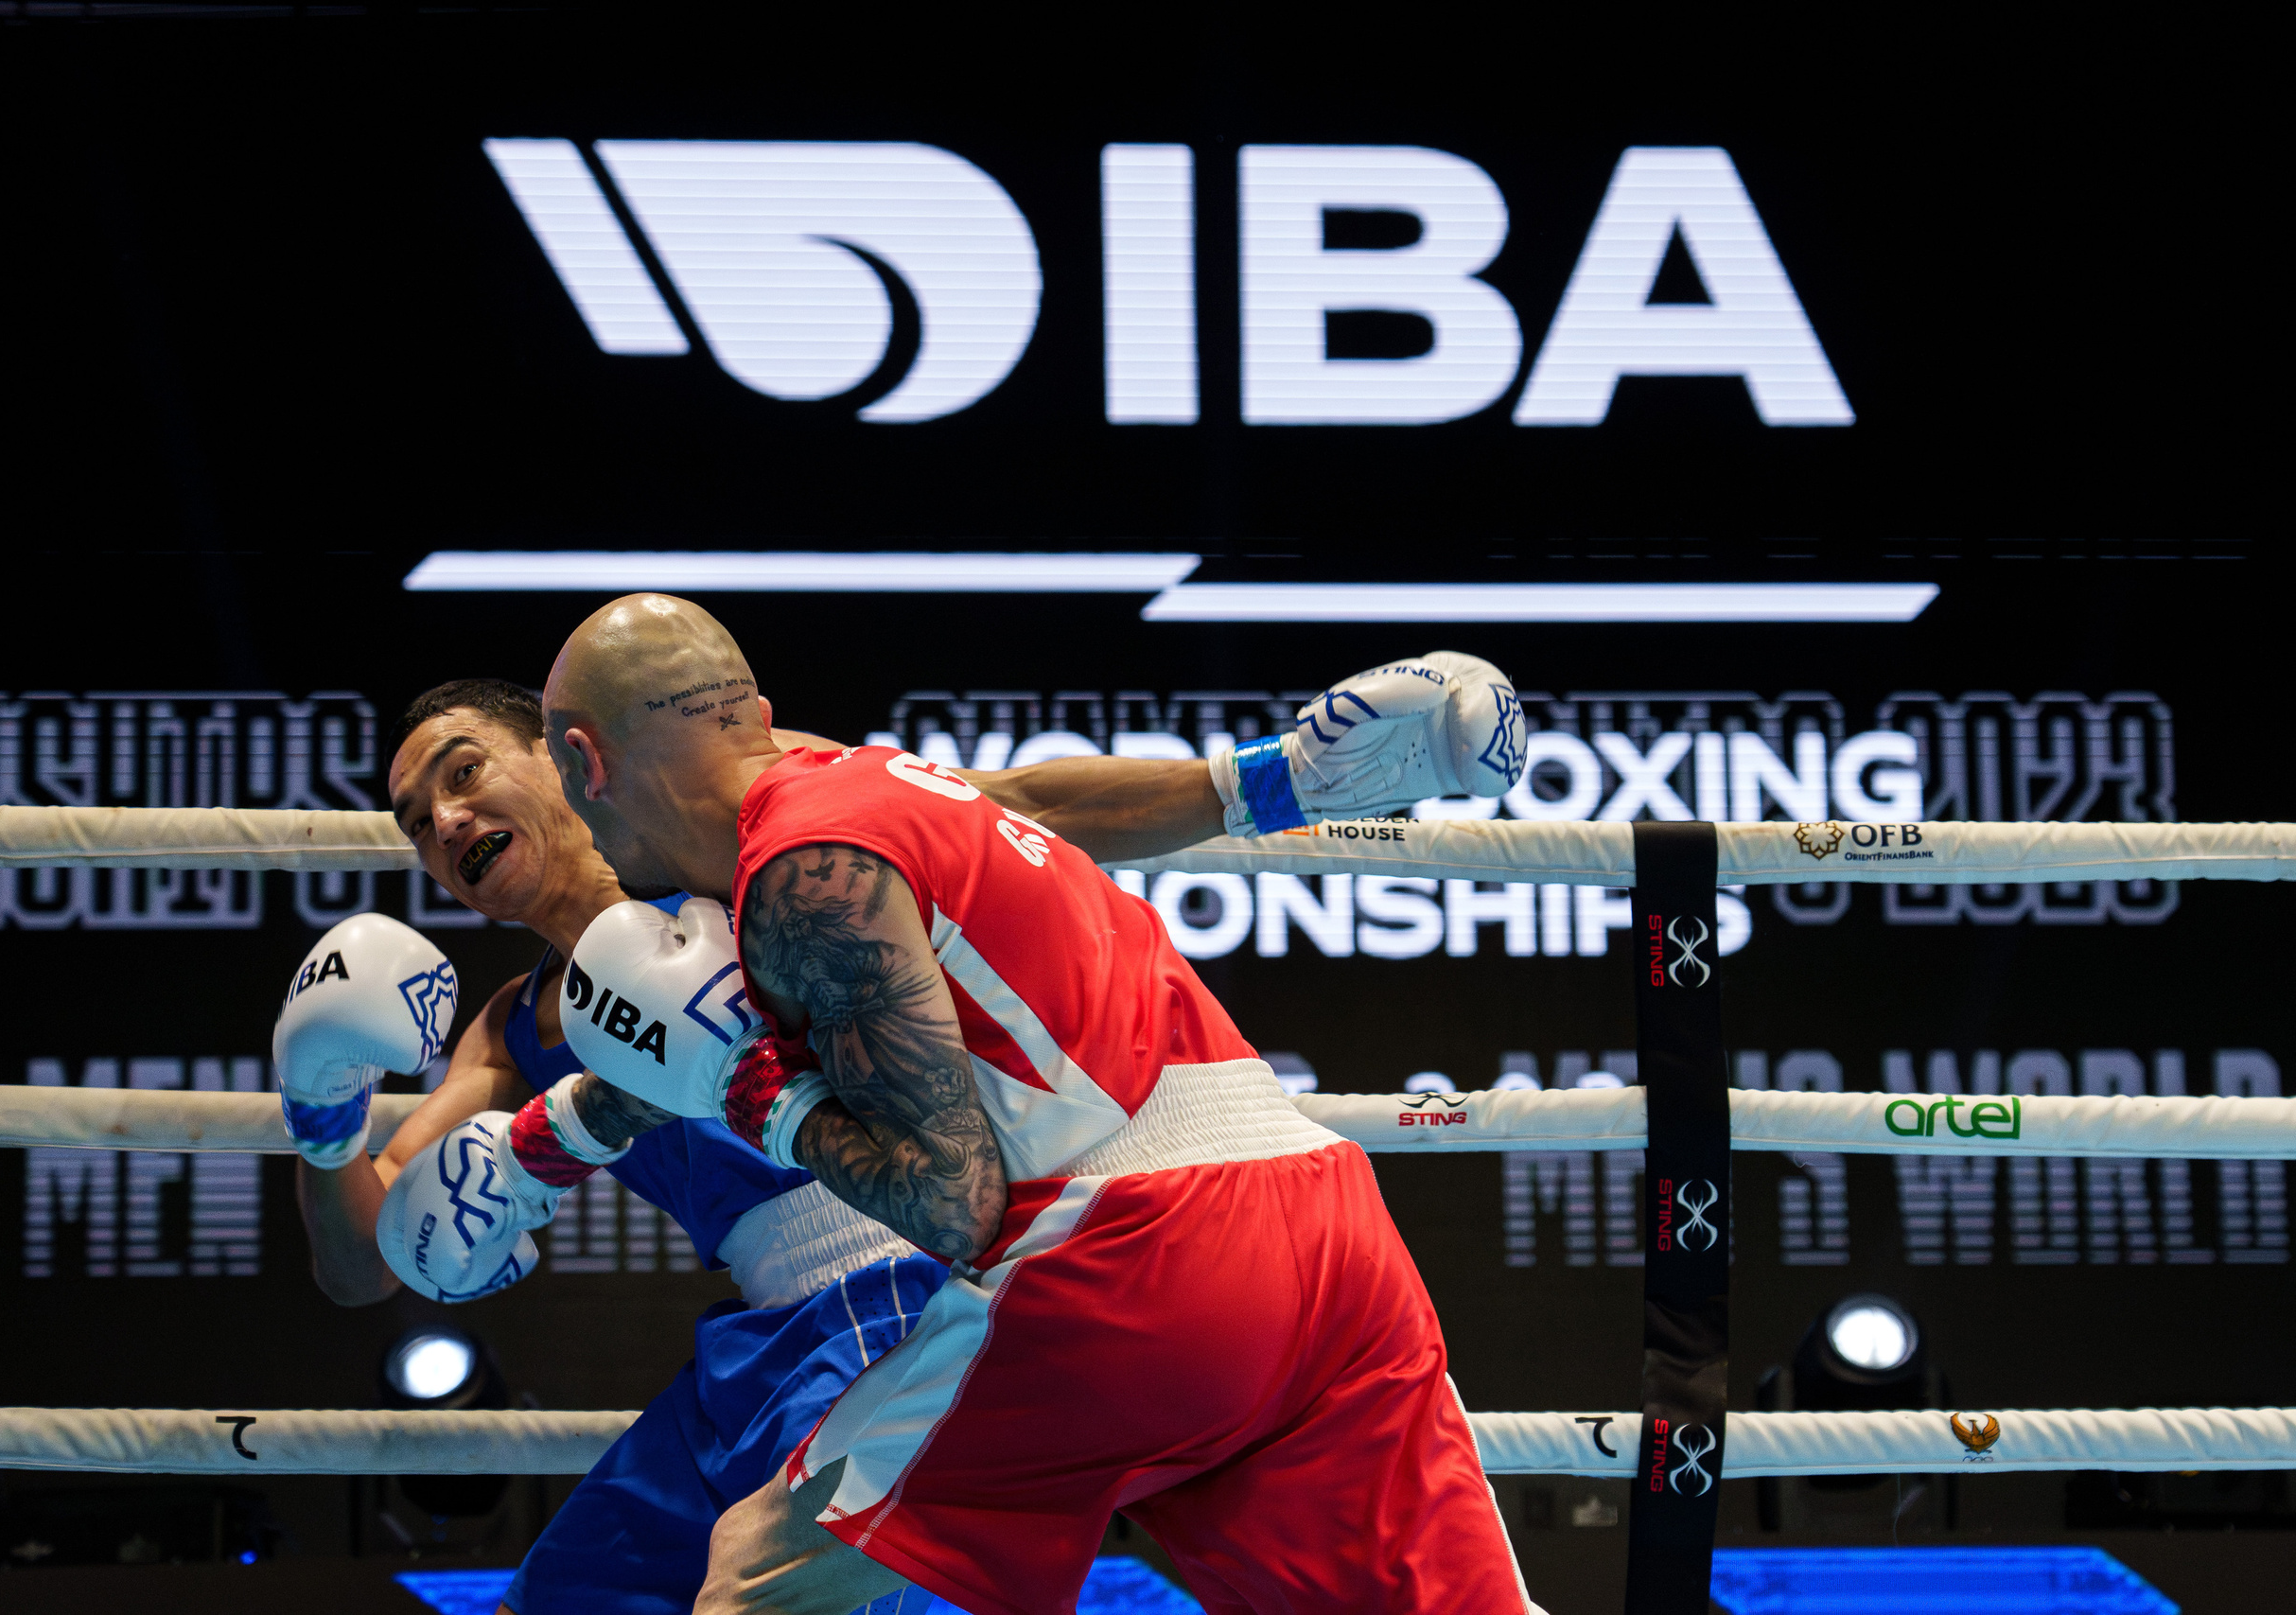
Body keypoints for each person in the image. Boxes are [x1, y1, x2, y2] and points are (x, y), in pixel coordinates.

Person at [282, 674, 1436, 1615]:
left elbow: (1017, 804)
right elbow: (364, 1262)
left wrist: (1268, 781)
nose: (442, 822)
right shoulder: (510, 1028)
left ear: (566, 757)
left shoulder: (753, 827)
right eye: (414, 822)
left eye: (464, 772)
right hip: (752, 1353)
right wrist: (321, 1115)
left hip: (920, 1275)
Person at [538, 596, 1537, 1615]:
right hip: (1327, 1236)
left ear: (584, 765)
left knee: (763, 1576)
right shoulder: (883, 778)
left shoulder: (803, 880)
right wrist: (1274, 780)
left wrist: (756, 1095)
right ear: (753, 712)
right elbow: (1034, 801)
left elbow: (949, 1204)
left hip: (1141, 1264)